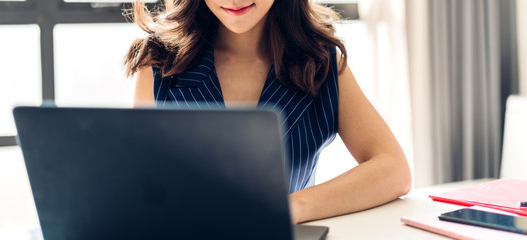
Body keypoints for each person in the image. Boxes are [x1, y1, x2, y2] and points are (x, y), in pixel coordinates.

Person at [124, 0, 411, 224]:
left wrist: (291, 207)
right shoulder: (160, 64)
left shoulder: (320, 63)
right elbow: (140, 187)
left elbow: (394, 169)